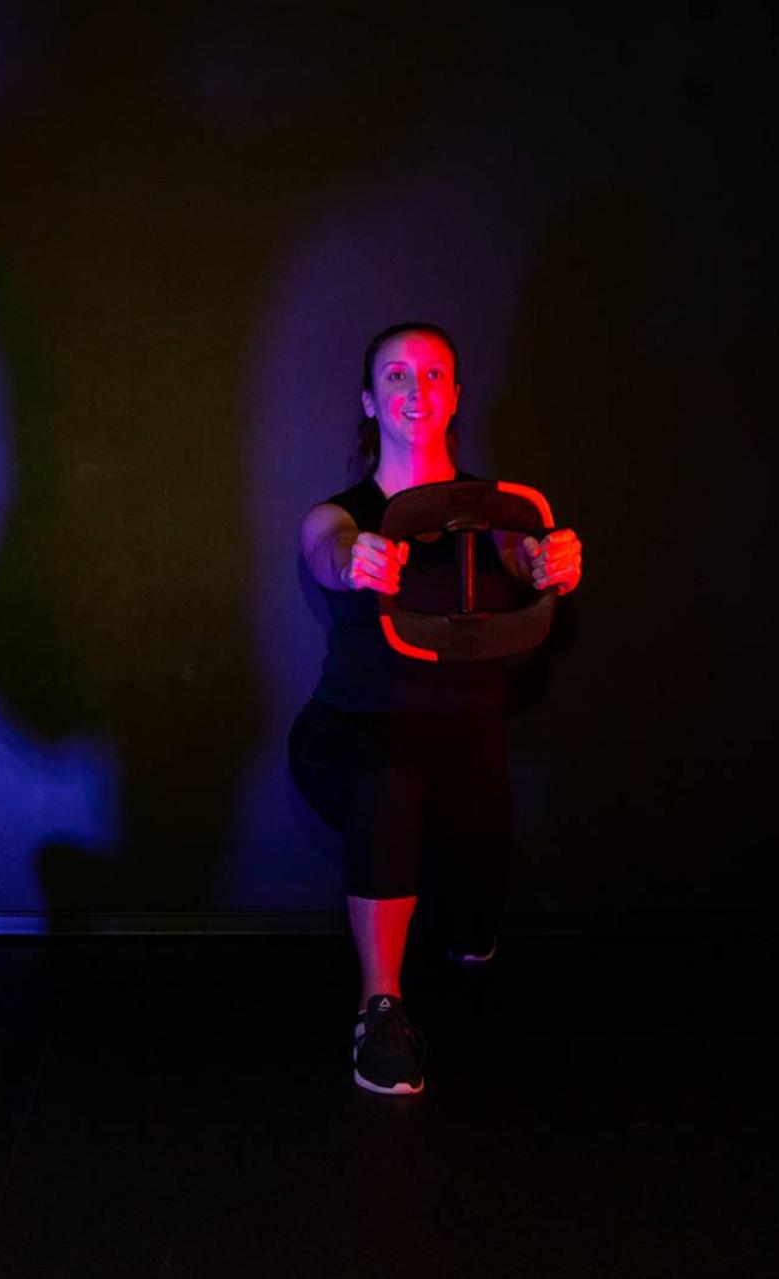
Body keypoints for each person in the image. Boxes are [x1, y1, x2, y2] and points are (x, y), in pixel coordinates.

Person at [289, 323, 582, 1095]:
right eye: (395, 374)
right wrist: (354, 560)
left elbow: (523, 552)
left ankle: (468, 925)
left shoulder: (498, 512)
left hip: (465, 746)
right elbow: (327, 547)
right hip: (352, 731)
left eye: (432, 374)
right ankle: (379, 1011)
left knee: (474, 927)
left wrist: (546, 560)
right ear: (369, 398)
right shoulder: (339, 514)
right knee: (387, 778)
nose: (415, 390)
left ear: (455, 396)